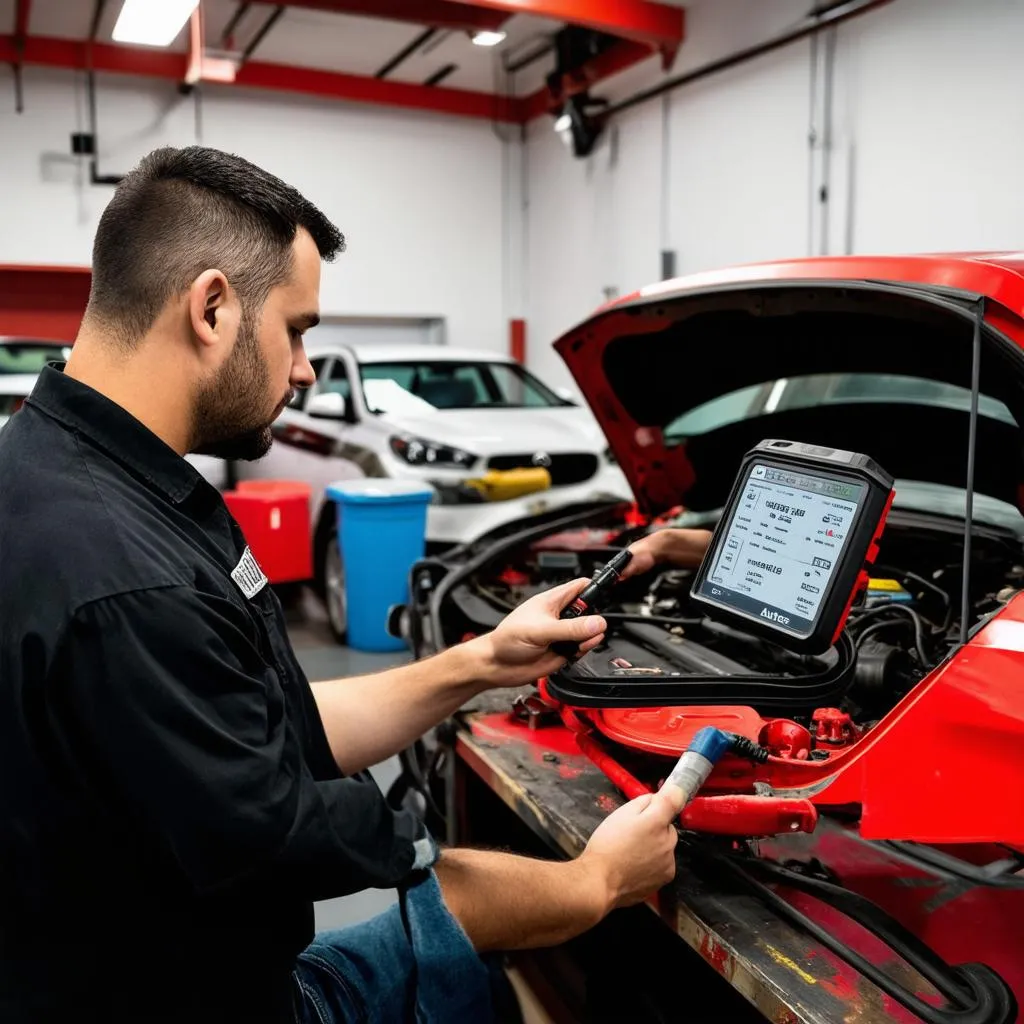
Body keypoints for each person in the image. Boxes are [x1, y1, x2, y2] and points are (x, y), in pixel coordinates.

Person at [0, 146, 713, 1024]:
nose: (304, 368)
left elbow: (266, 722)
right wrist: (598, 881)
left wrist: (484, 661)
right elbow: (289, 831)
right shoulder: (128, 578)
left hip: (130, 964)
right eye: (297, 328)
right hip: (212, 1000)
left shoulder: (79, 478)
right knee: (462, 941)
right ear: (213, 308)